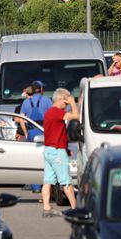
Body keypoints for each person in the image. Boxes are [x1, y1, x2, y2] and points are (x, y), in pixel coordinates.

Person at [40, 88, 78, 217]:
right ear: (60, 99)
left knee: (48, 181)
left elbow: (55, 132)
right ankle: (75, 209)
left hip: (49, 150)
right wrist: (73, 103)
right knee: (66, 181)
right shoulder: (57, 112)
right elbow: (75, 117)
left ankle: (46, 208)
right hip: (57, 151)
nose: (66, 106)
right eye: (65, 103)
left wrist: (65, 148)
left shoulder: (48, 113)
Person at [21, 80, 53, 192]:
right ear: (41, 90)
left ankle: (35, 186)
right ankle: (47, 184)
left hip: (31, 132)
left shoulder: (25, 103)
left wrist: (26, 133)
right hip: (45, 132)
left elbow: (21, 119)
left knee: (32, 159)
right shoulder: (47, 100)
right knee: (47, 158)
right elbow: (52, 116)